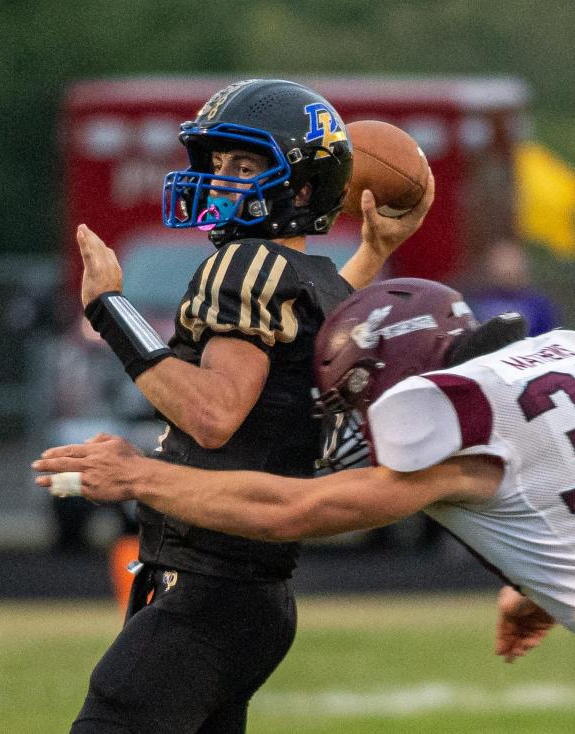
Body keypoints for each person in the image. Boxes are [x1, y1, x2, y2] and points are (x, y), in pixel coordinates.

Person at [35, 277, 575, 733]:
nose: (354, 422)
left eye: (358, 400)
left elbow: (295, 510)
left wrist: (143, 476)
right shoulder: (553, 358)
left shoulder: (457, 417)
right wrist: (533, 585)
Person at [56, 78, 434, 733]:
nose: (221, 181)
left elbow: (214, 414)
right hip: (255, 595)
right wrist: (375, 250)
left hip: (206, 589)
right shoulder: (315, 277)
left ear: (301, 185)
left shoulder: (242, 267)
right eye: (217, 166)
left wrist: (109, 308)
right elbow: (302, 332)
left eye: (245, 166)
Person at [463, 239, 560, 336]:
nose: (507, 267)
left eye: (512, 261)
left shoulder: (538, 305)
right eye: (501, 261)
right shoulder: (476, 302)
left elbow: (549, 336)